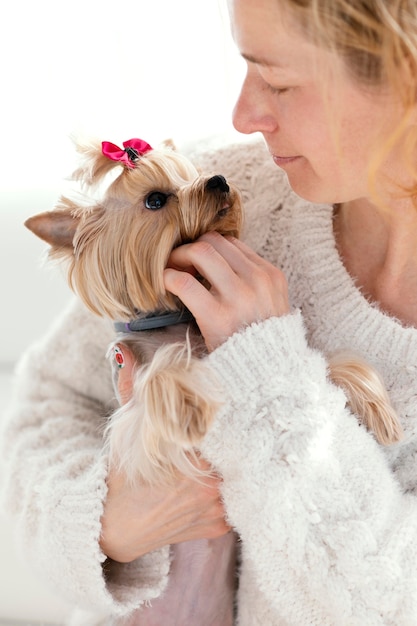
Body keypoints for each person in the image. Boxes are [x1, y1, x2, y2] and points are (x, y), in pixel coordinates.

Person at [2, 0, 417, 623]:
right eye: (244, 67)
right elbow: (46, 406)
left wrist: (269, 371)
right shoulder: (223, 189)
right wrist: (105, 525)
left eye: (279, 80)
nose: (244, 115)